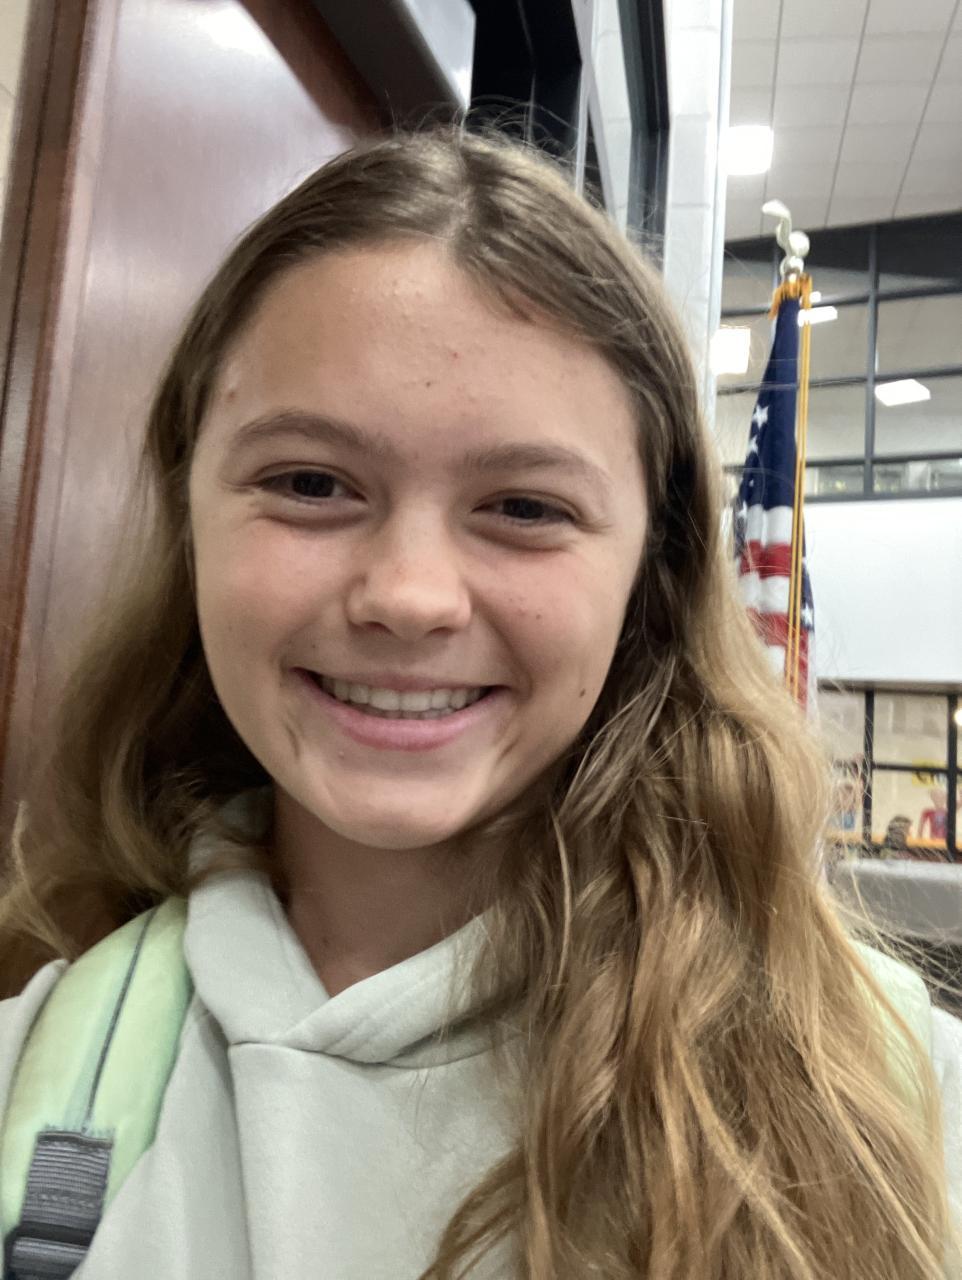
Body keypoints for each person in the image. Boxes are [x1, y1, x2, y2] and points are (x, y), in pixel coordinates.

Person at [0, 129, 959, 1279]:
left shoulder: (894, 1098)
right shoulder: (29, 1077)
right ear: (187, 510)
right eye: (309, 482)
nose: (408, 596)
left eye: (523, 506)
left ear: (649, 570)